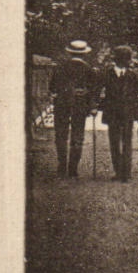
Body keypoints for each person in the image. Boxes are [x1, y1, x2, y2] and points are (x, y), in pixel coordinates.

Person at [51, 40, 96, 178]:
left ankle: (61, 165)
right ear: (84, 54)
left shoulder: (60, 67)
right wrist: (92, 106)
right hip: (80, 104)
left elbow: (52, 87)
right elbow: (92, 89)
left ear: (69, 52)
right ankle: (73, 168)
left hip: (62, 104)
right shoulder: (89, 69)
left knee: (61, 135)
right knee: (77, 135)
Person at [98, 46, 138, 182]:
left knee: (127, 141)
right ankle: (118, 170)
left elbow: (135, 95)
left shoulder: (133, 75)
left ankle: (126, 172)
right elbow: (100, 92)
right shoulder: (106, 74)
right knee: (114, 142)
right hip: (113, 112)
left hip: (127, 112)